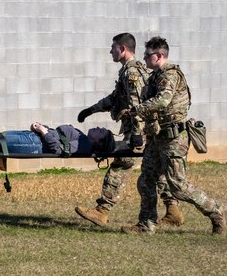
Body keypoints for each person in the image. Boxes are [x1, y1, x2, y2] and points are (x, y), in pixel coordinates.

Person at [74, 33, 184, 227]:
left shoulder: (131, 73)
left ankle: (102, 211)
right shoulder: (129, 71)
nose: (110, 51)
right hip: (143, 130)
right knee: (156, 171)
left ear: (122, 49)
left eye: (113, 47)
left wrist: (135, 133)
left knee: (121, 165)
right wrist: (91, 110)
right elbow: (114, 98)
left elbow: (137, 105)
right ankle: (173, 210)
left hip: (138, 131)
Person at [121, 36, 225, 235]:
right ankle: (146, 224)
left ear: (159, 55)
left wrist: (138, 110)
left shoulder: (170, 75)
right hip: (157, 137)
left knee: (178, 186)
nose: (144, 58)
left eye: (147, 54)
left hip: (174, 138)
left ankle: (216, 211)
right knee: (146, 180)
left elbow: (163, 101)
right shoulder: (154, 76)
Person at [0, 123, 116, 155]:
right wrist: (41, 128)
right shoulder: (83, 138)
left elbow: (60, 150)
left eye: (102, 132)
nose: (99, 128)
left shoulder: (83, 145)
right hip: (33, 137)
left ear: (98, 142)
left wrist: (44, 132)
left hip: (32, 144)